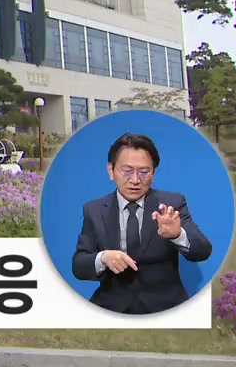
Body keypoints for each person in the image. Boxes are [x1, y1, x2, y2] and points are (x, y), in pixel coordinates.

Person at [71, 132, 212, 314]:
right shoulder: (94, 210)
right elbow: (79, 265)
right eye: (127, 171)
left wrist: (178, 235)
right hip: (111, 307)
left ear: (153, 173)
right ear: (111, 170)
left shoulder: (171, 204)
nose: (135, 180)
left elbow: (203, 251)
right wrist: (103, 258)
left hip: (165, 307)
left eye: (144, 172)